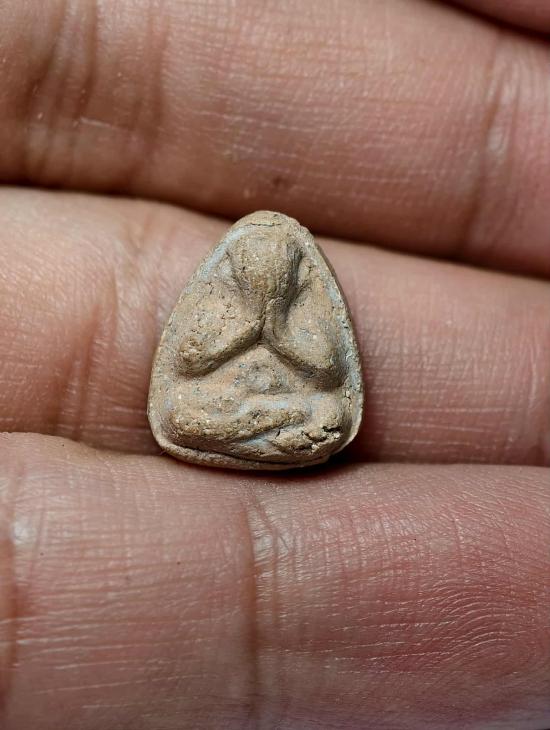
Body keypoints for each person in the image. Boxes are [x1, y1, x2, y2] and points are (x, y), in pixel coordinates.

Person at [0, 1, 548, 728]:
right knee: (184, 413)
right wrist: (244, 331)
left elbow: (324, 379)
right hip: (223, 407)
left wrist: (279, 329)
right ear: (239, 276)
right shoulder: (220, 308)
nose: (265, 287)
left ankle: (269, 433)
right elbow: (191, 365)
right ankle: (258, 433)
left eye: (275, 279)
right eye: (255, 279)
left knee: (327, 415)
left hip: (284, 406)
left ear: (289, 275)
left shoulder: (297, 312)